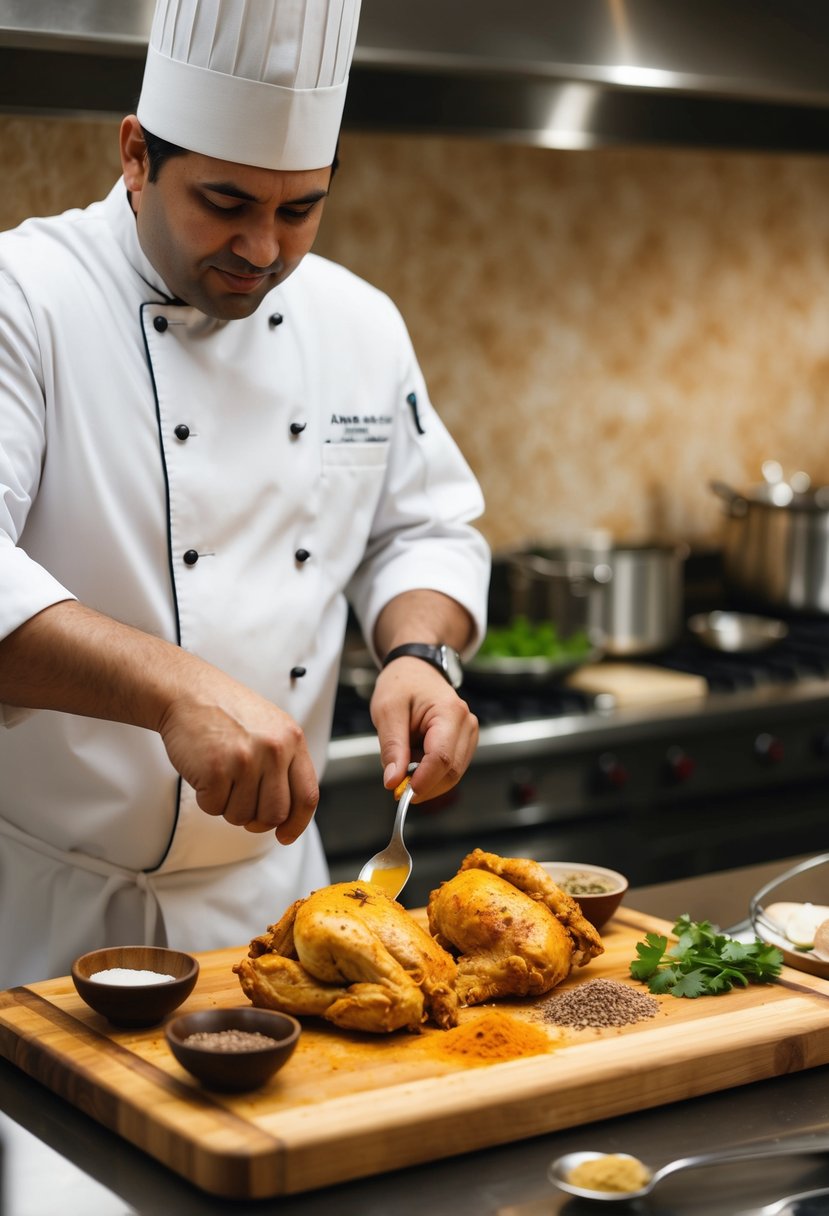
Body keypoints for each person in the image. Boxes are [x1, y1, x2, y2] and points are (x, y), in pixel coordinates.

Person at [0, 0, 490, 988]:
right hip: (48, 927)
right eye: (224, 203)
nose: (264, 249)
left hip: (280, 921)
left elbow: (423, 527)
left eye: (299, 208)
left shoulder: (358, 322)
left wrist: (418, 655)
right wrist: (177, 688)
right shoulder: (27, 298)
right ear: (136, 155)